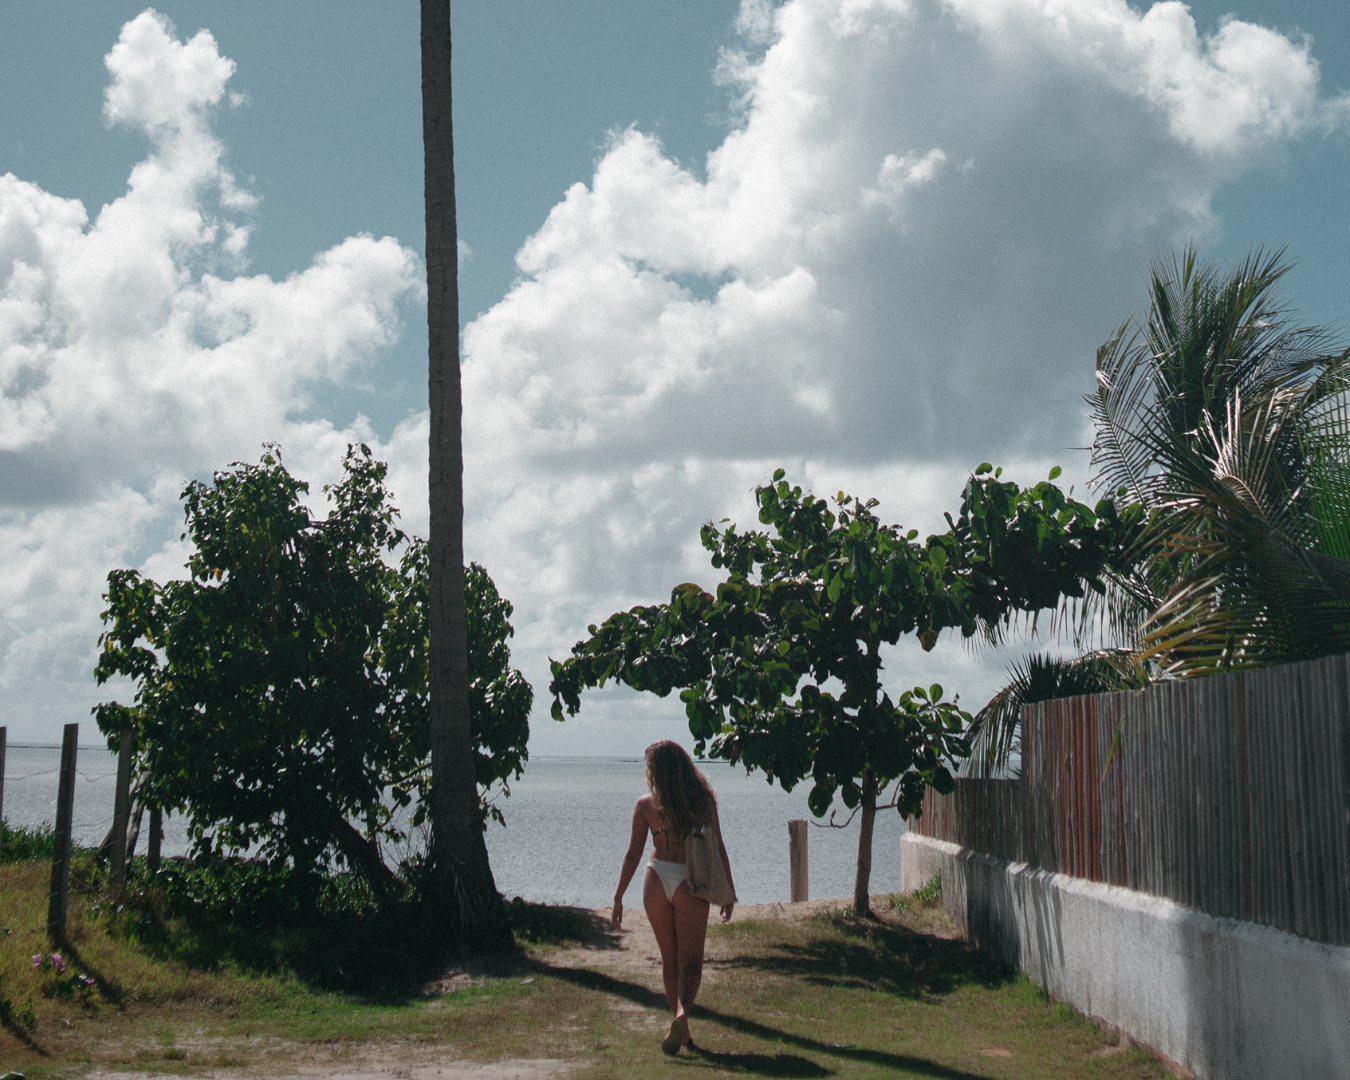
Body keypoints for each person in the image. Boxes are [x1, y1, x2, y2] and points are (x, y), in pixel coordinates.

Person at [612, 740, 736, 1055]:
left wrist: (618, 897)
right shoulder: (703, 801)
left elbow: (632, 855)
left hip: (655, 880)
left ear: (656, 772)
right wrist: (728, 892)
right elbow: (719, 846)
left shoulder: (645, 806)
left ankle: (681, 1029)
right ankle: (682, 1016)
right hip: (689, 881)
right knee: (691, 962)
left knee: (670, 961)